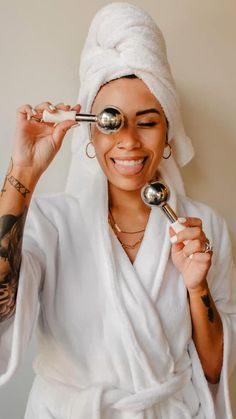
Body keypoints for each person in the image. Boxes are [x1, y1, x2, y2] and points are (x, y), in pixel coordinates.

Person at [0, 2, 235, 418]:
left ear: (169, 132)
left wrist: (197, 287)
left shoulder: (202, 227)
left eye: (147, 122)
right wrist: (23, 174)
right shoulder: (51, 223)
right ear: (92, 130)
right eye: (113, 122)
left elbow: (214, 370)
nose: (128, 141)